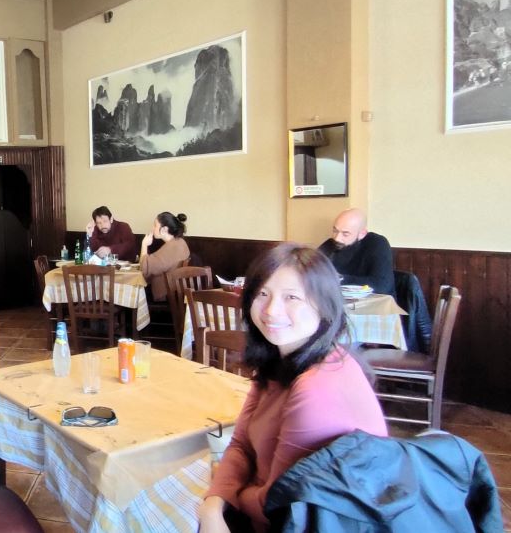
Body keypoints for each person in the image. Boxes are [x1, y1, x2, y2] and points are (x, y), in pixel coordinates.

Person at [199, 243, 387, 532]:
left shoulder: (317, 387)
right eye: (262, 294)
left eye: (292, 297)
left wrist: (228, 495)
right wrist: (213, 505)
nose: (272, 310)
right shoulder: (279, 359)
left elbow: (277, 505)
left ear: (324, 306)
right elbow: (241, 444)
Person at [317, 208, 395, 297]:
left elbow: (382, 285)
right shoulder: (331, 244)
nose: (337, 238)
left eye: (345, 234)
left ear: (362, 234)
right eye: (335, 231)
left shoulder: (377, 243)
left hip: (372, 305)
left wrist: (339, 279)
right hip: (338, 303)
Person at [138, 212, 190, 302]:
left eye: (155, 225)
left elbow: (145, 268)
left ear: (164, 229)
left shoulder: (173, 247)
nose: (152, 228)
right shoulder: (179, 242)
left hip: (167, 294)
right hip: (175, 290)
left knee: (136, 292)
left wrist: (144, 245)